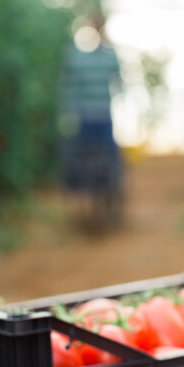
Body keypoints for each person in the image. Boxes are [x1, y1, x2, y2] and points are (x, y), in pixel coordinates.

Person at [59, 13, 124, 226]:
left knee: (111, 161)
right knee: (81, 161)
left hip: (103, 116)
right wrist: (70, 113)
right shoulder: (76, 57)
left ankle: (112, 196)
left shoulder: (110, 56)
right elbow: (69, 88)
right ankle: (82, 199)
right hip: (85, 117)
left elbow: (119, 84)